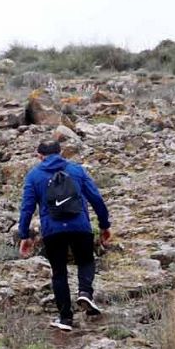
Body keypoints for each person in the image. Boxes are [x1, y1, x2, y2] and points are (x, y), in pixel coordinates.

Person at [17, 139, 112, 331]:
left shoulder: (34, 176)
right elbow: (96, 198)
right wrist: (104, 225)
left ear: (39, 156)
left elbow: (27, 208)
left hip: (53, 230)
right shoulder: (76, 170)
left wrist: (24, 235)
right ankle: (85, 291)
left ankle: (65, 318)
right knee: (86, 261)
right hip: (80, 226)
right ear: (61, 153)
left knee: (59, 272)